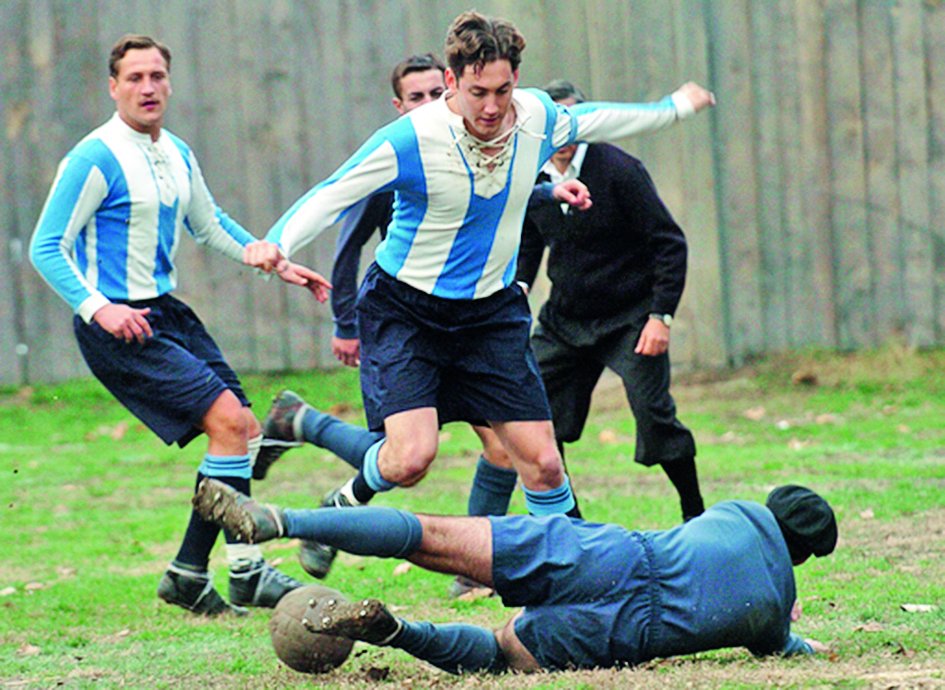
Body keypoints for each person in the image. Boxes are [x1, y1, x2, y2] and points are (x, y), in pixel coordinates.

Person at [245, 11, 715, 569]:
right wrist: (277, 242)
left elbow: (601, 119)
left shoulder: (537, 118)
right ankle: (340, 506)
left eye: (503, 90)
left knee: (544, 464)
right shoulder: (412, 138)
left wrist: (673, 107)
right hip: (406, 312)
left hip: (490, 316)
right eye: (478, 92)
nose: (492, 107)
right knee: (410, 459)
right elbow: (333, 192)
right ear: (452, 81)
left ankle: (572, 585)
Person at [253, 53, 591, 582]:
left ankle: (486, 570)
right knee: (412, 457)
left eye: (438, 93)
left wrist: (547, 190)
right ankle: (317, 450)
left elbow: (490, 200)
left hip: (480, 320)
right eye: (418, 97)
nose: (434, 104)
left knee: (519, 453)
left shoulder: (485, 140)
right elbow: (347, 241)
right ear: (400, 105)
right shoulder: (400, 153)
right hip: (411, 320)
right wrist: (344, 323)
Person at [29, 35, 331, 616]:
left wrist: (271, 259)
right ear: (113, 87)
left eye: (157, 76)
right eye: (135, 77)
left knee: (242, 428)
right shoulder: (93, 158)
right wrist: (99, 307)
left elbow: (208, 223)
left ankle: (190, 573)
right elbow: (46, 246)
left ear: (169, 82)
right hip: (119, 325)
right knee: (229, 423)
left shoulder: (176, 152)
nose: (148, 88)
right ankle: (244, 571)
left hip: (165, 312)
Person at [193, 478, 838, 673]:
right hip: (628, 631)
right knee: (500, 654)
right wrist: (795, 632)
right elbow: (786, 644)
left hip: (607, 553)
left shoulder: (735, 512)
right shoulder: (769, 614)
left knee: (429, 534)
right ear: (801, 558)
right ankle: (396, 632)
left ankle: (280, 519)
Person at [471, 80, 705, 526]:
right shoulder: (531, 175)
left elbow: (669, 243)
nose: (566, 134)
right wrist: (516, 289)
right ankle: (571, 527)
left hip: (630, 318)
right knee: (532, 416)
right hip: (565, 321)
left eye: (575, 123)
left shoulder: (619, 170)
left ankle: (695, 515)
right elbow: (528, 242)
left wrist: (660, 315)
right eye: (557, 125)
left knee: (654, 415)